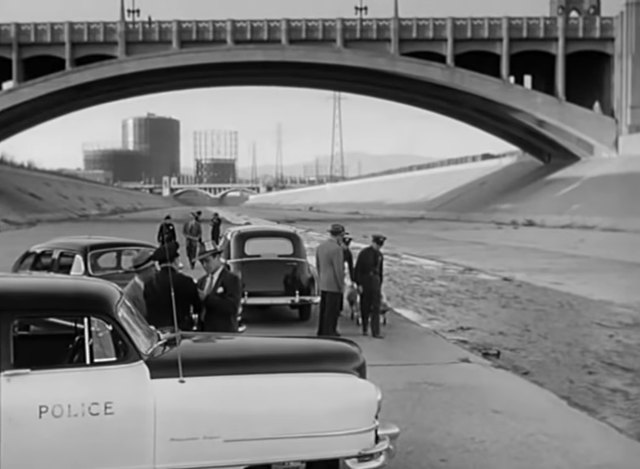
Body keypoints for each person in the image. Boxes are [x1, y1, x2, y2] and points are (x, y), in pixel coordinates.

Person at [143, 241, 201, 332]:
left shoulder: (149, 284)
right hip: (181, 332)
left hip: (158, 333)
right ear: (176, 260)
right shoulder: (186, 281)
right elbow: (197, 307)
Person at [196, 240, 242, 332]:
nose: (205, 265)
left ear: (217, 257)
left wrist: (207, 298)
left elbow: (232, 307)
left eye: (207, 261)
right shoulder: (201, 281)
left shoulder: (231, 279)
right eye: (202, 262)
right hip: (204, 333)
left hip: (224, 333)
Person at [315, 223, 346, 337]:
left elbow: (318, 266)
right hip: (333, 283)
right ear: (340, 235)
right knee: (332, 311)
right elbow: (339, 270)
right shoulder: (337, 249)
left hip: (323, 282)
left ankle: (322, 330)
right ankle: (330, 331)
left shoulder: (321, 247)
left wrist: (320, 279)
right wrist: (341, 285)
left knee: (324, 310)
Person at [354, 234, 386, 339]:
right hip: (365, 281)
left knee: (376, 307)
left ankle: (376, 331)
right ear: (373, 242)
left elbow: (380, 271)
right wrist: (358, 284)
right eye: (377, 244)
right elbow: (358, 269)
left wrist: (380, 283)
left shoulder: (380, 255)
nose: (378, 246)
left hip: (375, 282)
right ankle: (364, 327)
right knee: (365, 306)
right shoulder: (364, 253)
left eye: (380, 245)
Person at [122, 249, 157, 318]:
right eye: (153, 266)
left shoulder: (153, 285)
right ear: (146, 270)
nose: (156, 269)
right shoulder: (130, 294)